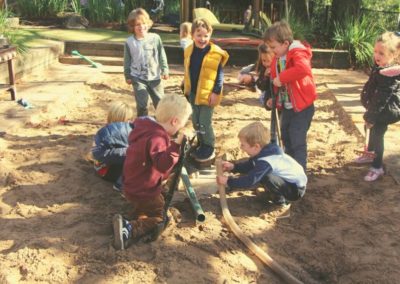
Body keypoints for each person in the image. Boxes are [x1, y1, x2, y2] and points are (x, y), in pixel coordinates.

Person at [113, 94, 192, 250]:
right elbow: (163, 165)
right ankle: (128, 229)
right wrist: (176, 145)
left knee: (148, 208)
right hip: (143, 190)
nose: (178, 130)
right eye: (180, 126)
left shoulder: (144, 127)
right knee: (160, 219)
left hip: (130, 185)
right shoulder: (158, 138)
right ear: (174, 121)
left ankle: (139, 215)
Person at [263, 20, 317, 171]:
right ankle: (291, 167)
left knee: (297, 139)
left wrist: (282, 78)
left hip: (302, 107)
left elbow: (302, 69)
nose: (272, 51)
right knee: (286, 136)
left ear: (285, 43)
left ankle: (300, 172)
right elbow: (275, 81)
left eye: (274, 47)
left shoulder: (297, 52)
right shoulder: (277, 57)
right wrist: (272, 97)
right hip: (287, 106)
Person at [216, 122, 307, 207]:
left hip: (295, 190)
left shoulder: (267, 161)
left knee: (266, 177)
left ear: (256, 147)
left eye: (243, 145)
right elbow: (250, 165)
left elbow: (250, 180)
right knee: (261, 174)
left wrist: (228, 181)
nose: (241, 147)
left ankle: (281, 202)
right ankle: (273, 191)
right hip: (286, 182)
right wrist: (234, 167)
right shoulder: (263, 151)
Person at [354, 31, 400, 182]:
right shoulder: (380, 67)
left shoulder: (390, 73)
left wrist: (372, 116)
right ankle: (370, 153)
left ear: (393, 55)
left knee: (376, 133)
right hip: (377, 108)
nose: (377, 56)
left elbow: (382, 98)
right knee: (369, 128)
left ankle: (377, 166)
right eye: (375, 51)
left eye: (381, 53)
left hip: (386, 110)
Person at [183, 17, 229, 162]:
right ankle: (201, 143)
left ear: (210, 35)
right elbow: (188, 70)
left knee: (204, 121)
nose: (202, 39)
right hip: (194, 92)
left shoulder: (215, 54)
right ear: (192, 35)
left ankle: (208, 145)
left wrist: (215, 92)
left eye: (206, 36)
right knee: (196, 121)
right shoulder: (189, 50)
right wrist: (185, 85)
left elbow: (220, 76)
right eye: (199, 35)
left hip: (208, 94)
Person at [124, 8, 169, 118]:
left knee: (160, 102)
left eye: (144, 23)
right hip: (137, 78)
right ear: (132, 27)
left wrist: (165, 69)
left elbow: (161, 54)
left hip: (154, 77)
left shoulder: (155, 38)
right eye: (137, 25)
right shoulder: (129, 42)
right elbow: (127, 60)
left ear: (148, 24)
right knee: (142, 103)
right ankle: (142, 124)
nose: (141, 27)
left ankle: (163, 124)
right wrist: (127, 75)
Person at [91, 101, 134, 192]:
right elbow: (108, 155)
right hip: (107, 170)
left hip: (103, 166)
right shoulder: (112, 134)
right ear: (119, 119)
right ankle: (120, 184)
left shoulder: (107, 130)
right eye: (128, 119)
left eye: (131, 119)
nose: (130, 122)